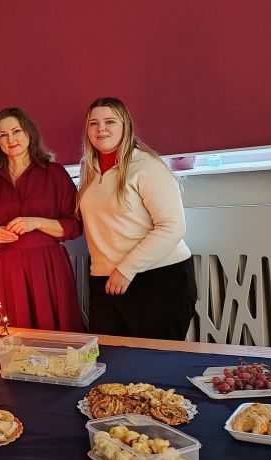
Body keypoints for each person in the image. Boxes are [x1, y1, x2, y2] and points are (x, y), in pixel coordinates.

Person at [77, 97, 197, 340]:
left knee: (155, 360)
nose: (101, 129)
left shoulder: (147, 166)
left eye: (110, 122)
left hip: (157, 278)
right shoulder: (88, 169)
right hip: (105, 282)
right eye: (93, 123)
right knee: (108, 357)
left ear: (126, 125)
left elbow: (172, 227)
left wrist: (126, 269)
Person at [0, 108, 84, 331]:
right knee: (15, 336)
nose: (11, 139)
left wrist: (36, 222)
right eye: (3, 135)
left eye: (16, 131)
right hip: (9, 269)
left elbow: (75, 225)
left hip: (49, 265)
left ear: (29, 133)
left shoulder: (55, 173)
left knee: (56, 335)